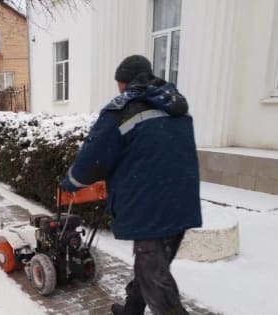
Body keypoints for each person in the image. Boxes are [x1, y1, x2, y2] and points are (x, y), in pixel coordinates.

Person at [60, 55, 202, 315]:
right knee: (152, 268)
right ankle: (132, 310)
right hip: (182, 201)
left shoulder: (122, 109)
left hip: (151, 206)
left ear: (125, 83)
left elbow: (94, 159)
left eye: (119, 84)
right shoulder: (175, 106)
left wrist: (70, 182)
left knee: (154, 278)